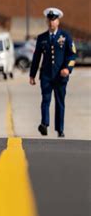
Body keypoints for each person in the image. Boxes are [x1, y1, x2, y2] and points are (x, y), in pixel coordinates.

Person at [29, 7, 76, 137]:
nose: (51, 22)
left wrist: (67, 68)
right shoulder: (42, 38)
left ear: (58, 22)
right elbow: (36, 57)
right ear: (47, 21)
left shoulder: (65, 37)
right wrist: (32, 75)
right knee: (45, 99)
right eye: (49, 20)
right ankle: (44, 124)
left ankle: (60, 129)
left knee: (59, 102)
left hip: (60, 76)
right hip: (46, 75)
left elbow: (72, 55)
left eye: (54, 20)